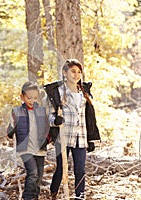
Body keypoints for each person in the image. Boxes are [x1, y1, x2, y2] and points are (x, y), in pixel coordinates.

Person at [44, 59, 100, 199]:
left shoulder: (84, 91)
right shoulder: (56, 92)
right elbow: (47, 116)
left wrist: (91, 139)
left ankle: (79, 196)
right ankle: (54, 192)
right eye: (73, 71)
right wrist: (55, 121)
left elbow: (89, 118)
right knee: (61, 167)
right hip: (63, 136)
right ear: (64, 72)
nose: (76, 75)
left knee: (80, 170)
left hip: (80, 137)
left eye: (79, 72)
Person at [7, 81, 49, 200]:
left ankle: (35, 197)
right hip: (25, 148)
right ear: (22, 96)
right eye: (29, 97)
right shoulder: (17, 111)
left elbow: (47, 128)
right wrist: (11, 129)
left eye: (35, 98)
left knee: (39, 176)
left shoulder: (41, 111)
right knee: (33, 172)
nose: (32, 100)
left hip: (39, 149)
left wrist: (47, 139)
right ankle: (28, 197)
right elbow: (10, 131)